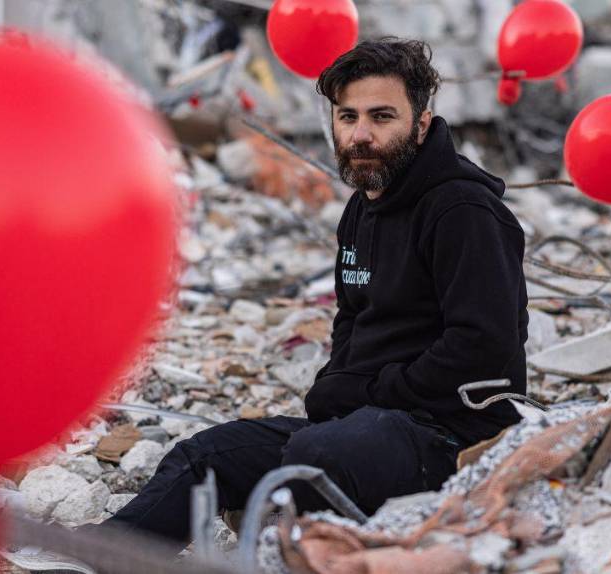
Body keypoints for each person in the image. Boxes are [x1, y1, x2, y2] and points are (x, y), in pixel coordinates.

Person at [101, 37, 528, 549]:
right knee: (206, 455)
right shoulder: (361, 208)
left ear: (420, 123)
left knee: (317, 455)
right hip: (364, 424)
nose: (360, 134)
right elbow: (351, 319)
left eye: (381, 117)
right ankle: (90, 556)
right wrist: (337, 385)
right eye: (347, 118)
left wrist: (369, 393)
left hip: (452, 439)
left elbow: (485, 347)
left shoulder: (462, 212)